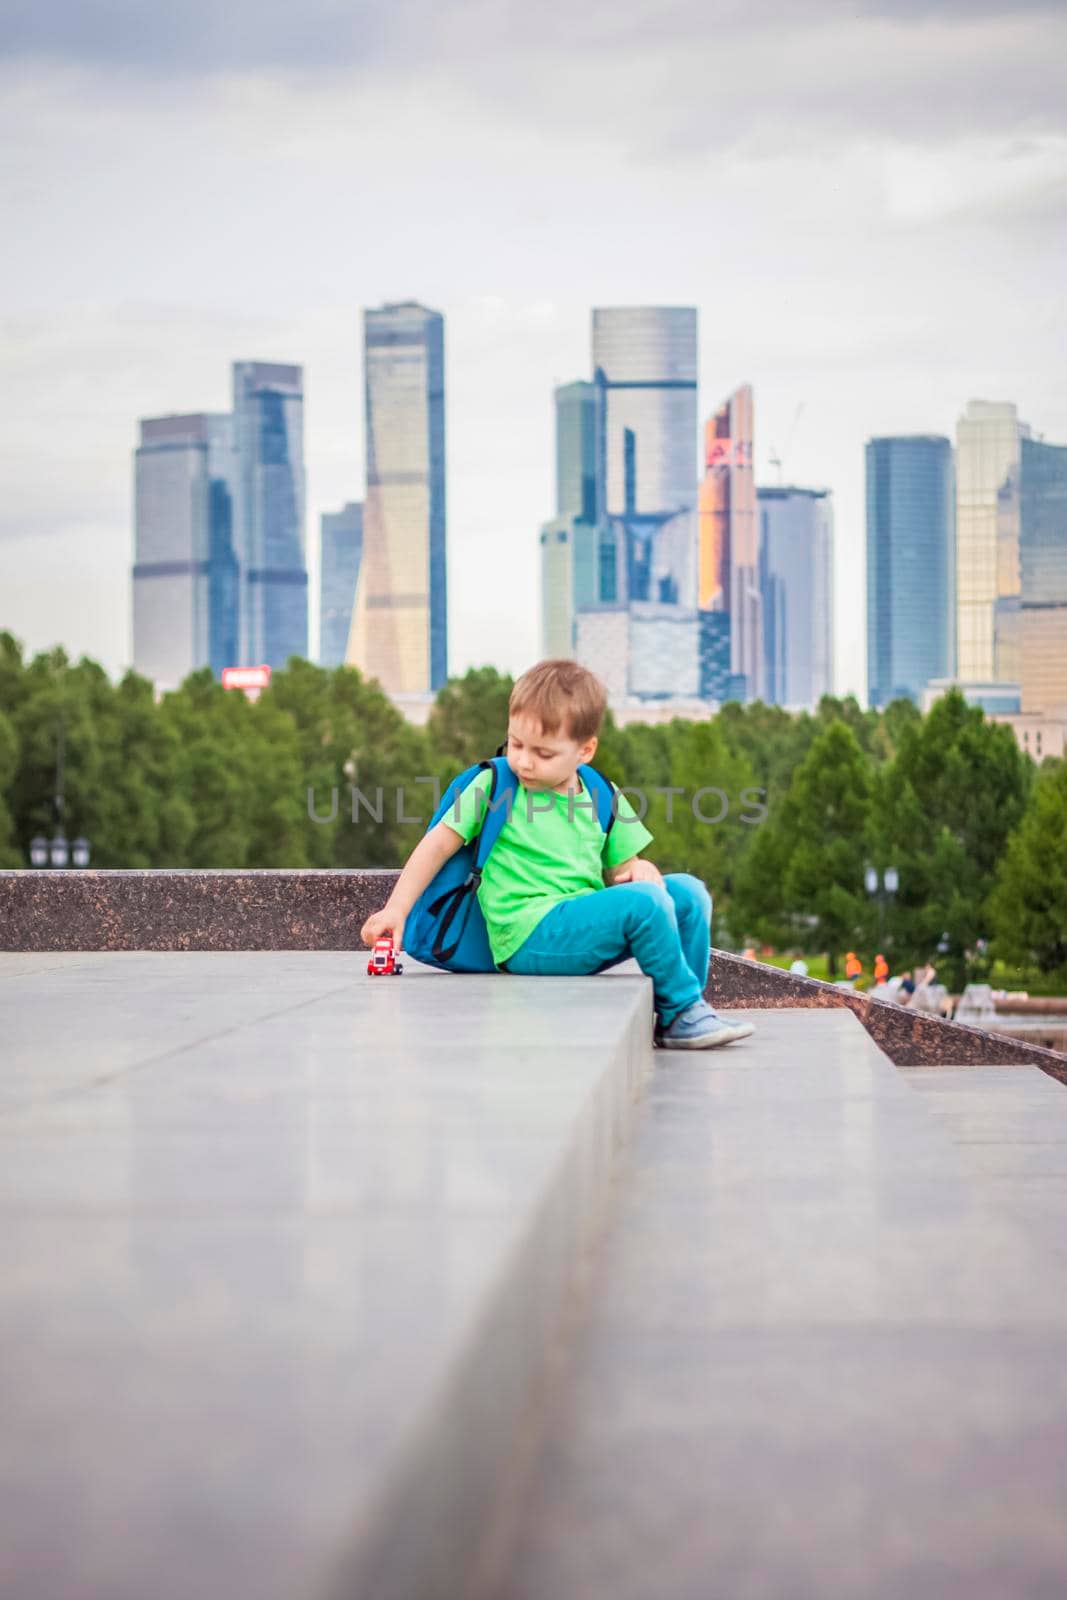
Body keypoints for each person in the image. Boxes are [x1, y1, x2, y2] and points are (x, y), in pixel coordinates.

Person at [360, 658, 754, 1051]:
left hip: (576, 924)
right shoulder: (494, 785)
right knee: (649, 903)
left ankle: (682, 1012)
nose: (525, 761)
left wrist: (640, 867)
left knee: (689, 893)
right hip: (525, 934)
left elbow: (623, 870)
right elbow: (435, 845)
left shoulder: (600, 793)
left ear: (585, 750)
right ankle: (685, 1010)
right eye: (516, 744)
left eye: (544, 753)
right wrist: (396, 910)